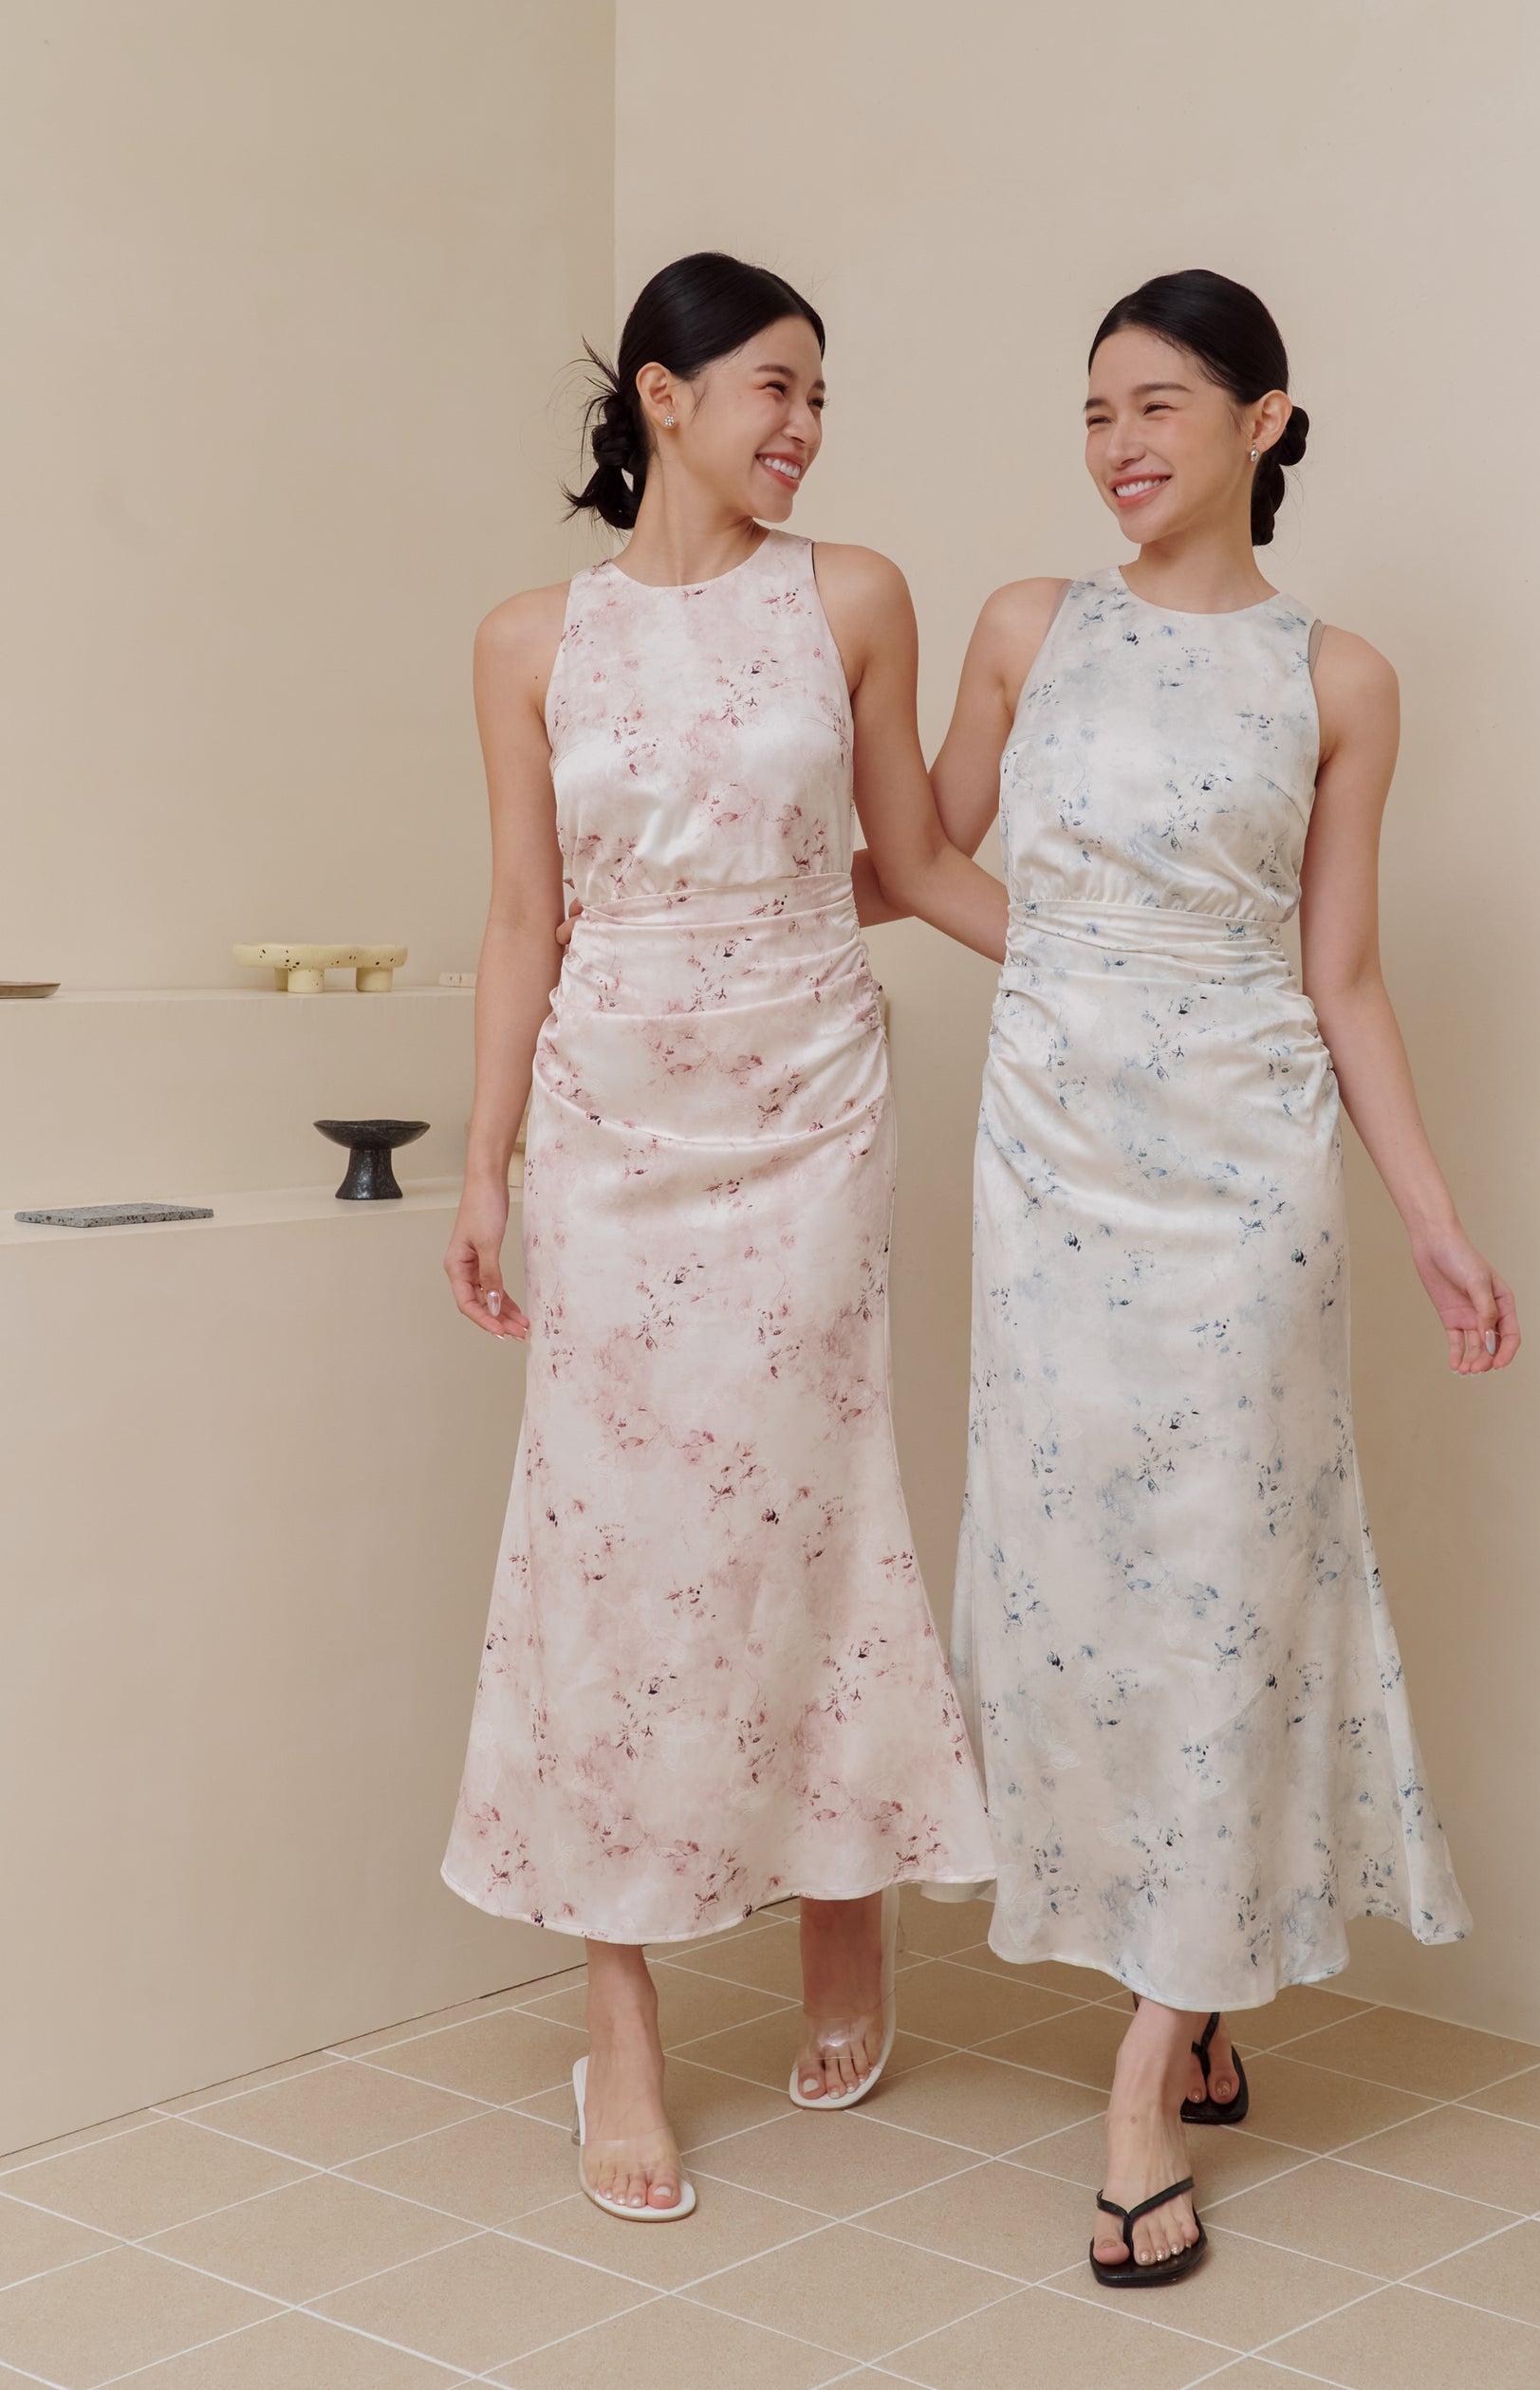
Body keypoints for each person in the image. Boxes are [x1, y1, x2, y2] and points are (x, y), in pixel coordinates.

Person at [922, 269, 1518, 2284]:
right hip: (1052, 1167)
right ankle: (1187, 1976)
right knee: (1084, 1586)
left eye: (1159, 404)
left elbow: (1340, 973)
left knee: (1229, 1591)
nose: (1118, 444)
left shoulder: (1336, 678)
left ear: (1262, 423)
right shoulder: (1028, 628)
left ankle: (1142, 2077)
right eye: (1096, 409)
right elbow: (915, 857)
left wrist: (1428, 1212)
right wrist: (1076, 968)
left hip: (1248, 1171)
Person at [440, 251, 1004, 2222]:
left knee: (808, 1498)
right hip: (607, 1117)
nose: (804, 427)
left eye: (820, 396)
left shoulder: (852, 597)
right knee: (605, 1543)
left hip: (807, 1104)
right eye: (775, 386)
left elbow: (910, 861)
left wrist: (1122, 962)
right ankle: (619, 2020)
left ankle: (845, 1893)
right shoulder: (528, 638)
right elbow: (523, 913)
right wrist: (486, 1159)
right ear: (662, 398)